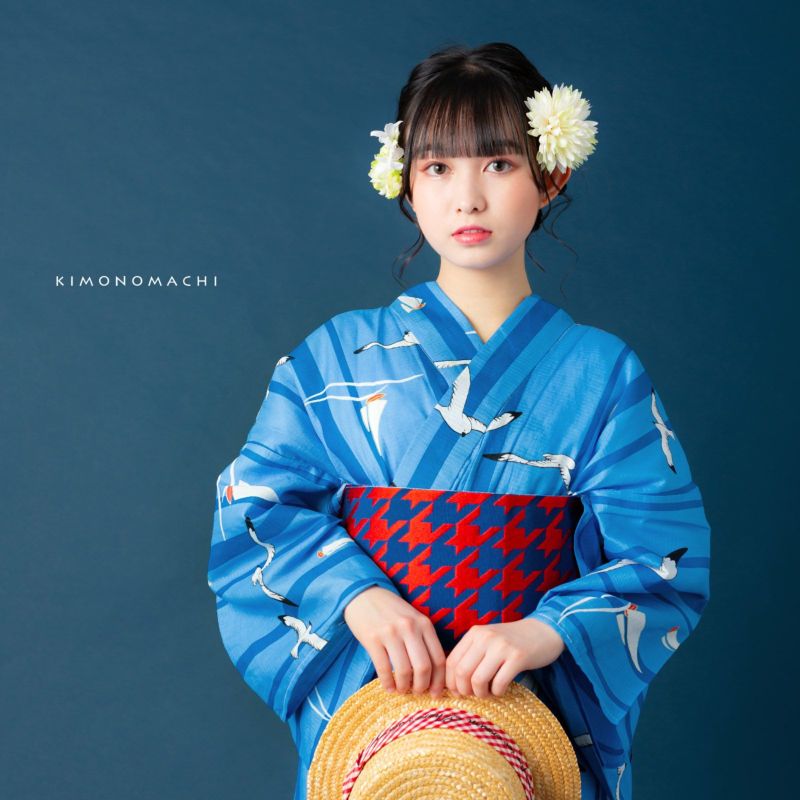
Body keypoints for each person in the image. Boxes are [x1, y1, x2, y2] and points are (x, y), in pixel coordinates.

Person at [207, 42, 711, 800]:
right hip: (379, 703)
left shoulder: (602, 373)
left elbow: (663, 554)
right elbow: (255, 509)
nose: (467, 199)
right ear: (406, 183)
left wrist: (546, 630)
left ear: (551, 176)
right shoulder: (334, 358)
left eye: (498, 164)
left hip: (529, 707)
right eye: (438, 167)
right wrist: (357, 596)